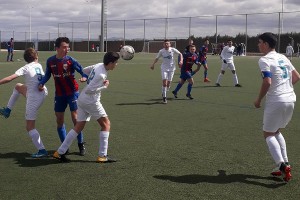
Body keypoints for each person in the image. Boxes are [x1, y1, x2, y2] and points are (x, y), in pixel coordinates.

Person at [53, 52, 120, 163]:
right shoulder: (101, 75)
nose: (116, 65)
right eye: (116, 63)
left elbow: (84, 70)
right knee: (106, 124)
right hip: (91, 101)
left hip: (82, 99)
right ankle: (102, 156)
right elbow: (90, 90)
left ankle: (59, 152)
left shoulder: (99, 65)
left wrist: (89, 80)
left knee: (78, 126)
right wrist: (104, 86)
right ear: (111, 62)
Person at [254, 32, 300, 182]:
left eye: (260, 42)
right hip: (290, 99)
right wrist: (284, 88)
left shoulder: (264, 59)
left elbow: (267, 82)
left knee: (268, 134)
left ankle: (281, 165)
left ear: (266, 44)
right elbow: (297, 77)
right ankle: (285, 162)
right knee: (276, 131)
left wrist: (258, 100)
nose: (258, 45)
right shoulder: (283, 57)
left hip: (277, 101)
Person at [38, 37, 88, 156]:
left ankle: (81, 144)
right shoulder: (50, 61)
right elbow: (47, 75)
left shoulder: (71, 60)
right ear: (57, 48)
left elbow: (83, 72)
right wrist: (42, 82)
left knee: (76, 119)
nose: (67, 49)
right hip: (59, 95)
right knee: (59, 120)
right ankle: (64, 146)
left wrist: (84, 77)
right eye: (64, 47)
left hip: (73, 93)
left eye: (68, 47)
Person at [0, 48, 48, 158]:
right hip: (43, 92)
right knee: (18, 86)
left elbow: (10, 78)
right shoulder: (39, 65)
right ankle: (7, 110)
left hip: (34, 98)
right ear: (36, 57)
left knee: (30, 127)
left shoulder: (26, 67)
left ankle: (42, 150)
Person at [150, 39, 183, 104]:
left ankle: (163, 91)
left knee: (168, 84)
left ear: (170, 44)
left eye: (167, 43)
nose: (166, 45)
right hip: (164, 68)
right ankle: (164, 98)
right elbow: (157, 58)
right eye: (165, 44)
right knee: (164, 83)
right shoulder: (161, 51)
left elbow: (180, 54)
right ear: (163, 44)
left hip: (172, 68)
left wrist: (181, 60)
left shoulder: (173, 49)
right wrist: (153, 64)